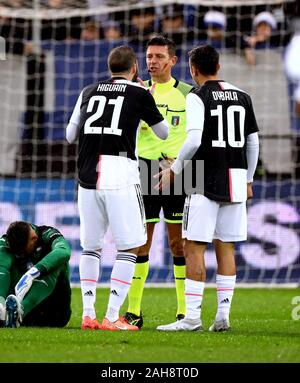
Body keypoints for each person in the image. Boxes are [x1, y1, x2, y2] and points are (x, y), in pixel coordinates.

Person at [155, 44, 259, 332]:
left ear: (193, 70)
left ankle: (191, 318)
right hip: (236, 177)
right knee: (225, 247)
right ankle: (222, 316)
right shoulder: (243, 96)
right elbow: (253, 143)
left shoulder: (197, 96)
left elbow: (193, 140)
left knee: (193, 246)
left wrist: (174, 172)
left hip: (204, 178)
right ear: (219, 66)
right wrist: (249, 179)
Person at [66, 45, 168, 331]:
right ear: (134, 69)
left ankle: (88, 314)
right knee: (129, 247)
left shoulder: (88, 91)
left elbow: (70, 134)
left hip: (86, 174)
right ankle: (112, 316)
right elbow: (164, 132)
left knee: (91, 247)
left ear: (110, 68)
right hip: (120, 173)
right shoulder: (139, 93)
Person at [121, 36, 193, 328]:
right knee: (142, 243)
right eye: (149, 56)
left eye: (159, 56)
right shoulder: (136, 92)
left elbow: (195, 135)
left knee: (179, 244)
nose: (153, 61)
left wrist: (181, 165)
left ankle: (184, 311)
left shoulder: (189, 94)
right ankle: (134, 311)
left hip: (180, 170)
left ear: (172, 61)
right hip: (145, 169)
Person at [0, 221, 72, 328]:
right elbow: (2, 267)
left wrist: (34, 272)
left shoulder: (48, 235)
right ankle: (3, 311)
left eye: (23, 250)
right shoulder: (8, 240)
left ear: (34, 238)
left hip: (53, 314)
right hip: (25, 313)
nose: (21, 254)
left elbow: (64, 251)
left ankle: (19, 313)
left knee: (57, 262)